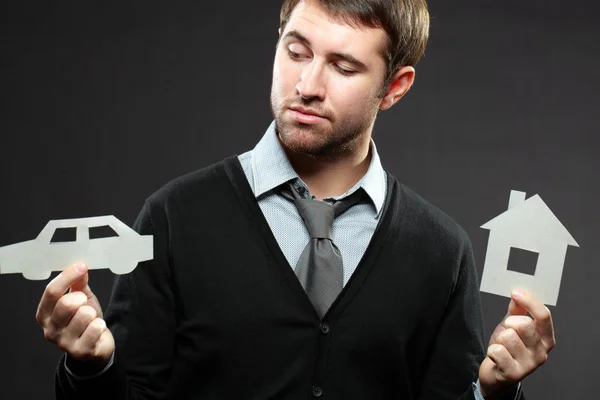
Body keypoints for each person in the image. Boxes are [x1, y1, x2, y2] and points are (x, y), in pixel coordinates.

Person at [36, 0, 555, 399]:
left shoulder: (442, 250)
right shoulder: (174, 217)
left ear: (394, 87)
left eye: (344, 67)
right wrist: (91, 367)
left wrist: (495, 393)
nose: (306, 84)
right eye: (296, 50)